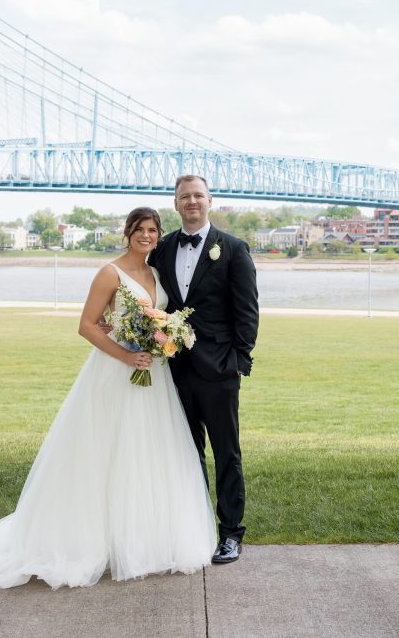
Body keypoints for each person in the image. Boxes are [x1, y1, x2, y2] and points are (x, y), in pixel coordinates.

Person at [0, 207, 216, 589]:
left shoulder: (154, 273)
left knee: (147, 452)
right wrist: (126, 355)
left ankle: (141, 540)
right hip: (115, 372)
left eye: (153, 230)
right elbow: (86, 325)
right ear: (127, 233)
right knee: (105, 453)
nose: (147, 236)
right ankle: (89, 540)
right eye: (139, 229)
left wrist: (163, 337)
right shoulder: (109, 272)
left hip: (153, 375)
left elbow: (152, 317)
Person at [148, 174, 259, 564]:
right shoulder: (160, 250)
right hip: (174, 371)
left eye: (198, 195)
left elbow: (247, 313)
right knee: (185, 452)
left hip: (220, 371)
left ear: (210, 201)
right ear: (176, 204)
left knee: (227, 453)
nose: (191, 202)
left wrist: (238, 363)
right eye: (184, 197)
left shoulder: (233, 249)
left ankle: (231, 534)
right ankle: (194, 529)